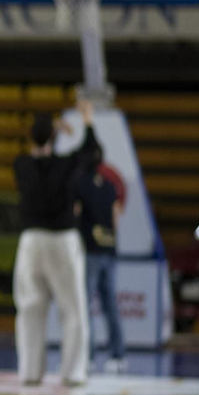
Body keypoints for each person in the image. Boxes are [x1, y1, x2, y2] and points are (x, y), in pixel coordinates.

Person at [12, 98, 100, 388]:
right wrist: (86, 122)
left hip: (31, 241)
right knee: (72, 309)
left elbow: (39, 156)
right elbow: (92, 154)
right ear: (54, 137)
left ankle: (30, 372)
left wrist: (50, 131)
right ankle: (73, 372)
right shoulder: (65, 164)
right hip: (62, 239)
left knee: (29, 309)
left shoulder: (21, 165)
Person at [73, 149, 126, 373]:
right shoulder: (109, 186)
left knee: (85, 304)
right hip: (109, 249)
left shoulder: (80, 185)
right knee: (110, 303)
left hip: (90, 250)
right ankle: (118, 355)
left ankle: (88, 356)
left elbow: (75, 213)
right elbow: (116, 217)